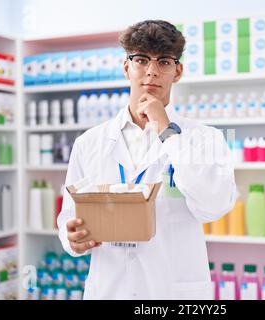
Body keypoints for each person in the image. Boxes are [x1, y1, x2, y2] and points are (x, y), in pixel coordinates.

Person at [57, 20, 237, 299]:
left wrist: (167, 131)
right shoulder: (88, 143)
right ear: (126, 67)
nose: (151, 71)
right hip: (110, 289)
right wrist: (72, 239)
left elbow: (213, 206)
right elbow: (70, 215)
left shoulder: (205, 138)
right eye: (141, 59)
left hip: (171, 291)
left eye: (164, 61)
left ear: (177, 71)